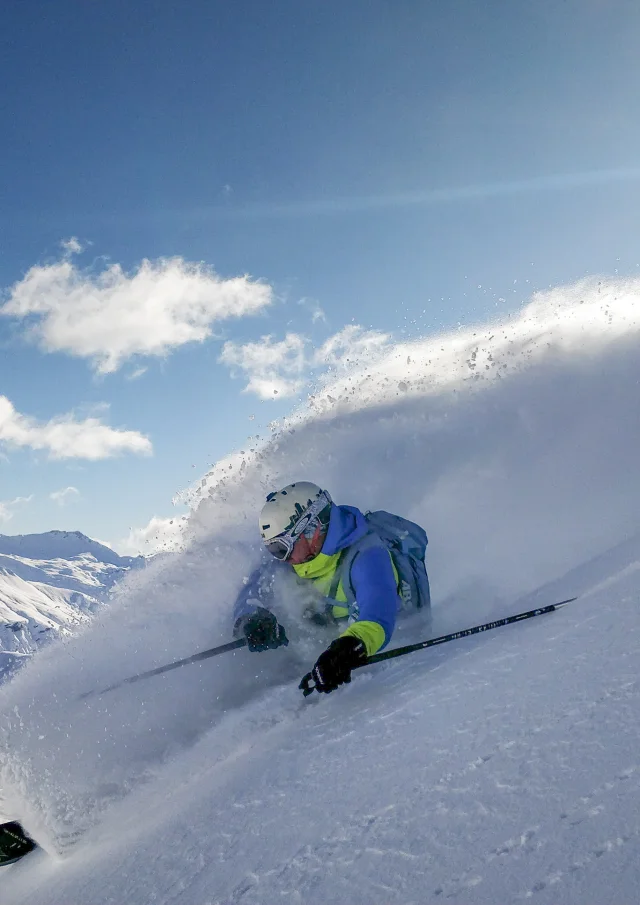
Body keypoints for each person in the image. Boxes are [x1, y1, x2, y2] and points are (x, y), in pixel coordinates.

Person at [233, 482, 430, 694]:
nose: (281, 557)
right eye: (274, 549)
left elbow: (378, 611)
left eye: (282, 548)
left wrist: (346, 650)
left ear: (312, 530)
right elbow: (253, 588)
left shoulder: (368, 555)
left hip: (387, 645)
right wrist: (251, 619)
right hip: (327, 636)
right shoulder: (295, 560)